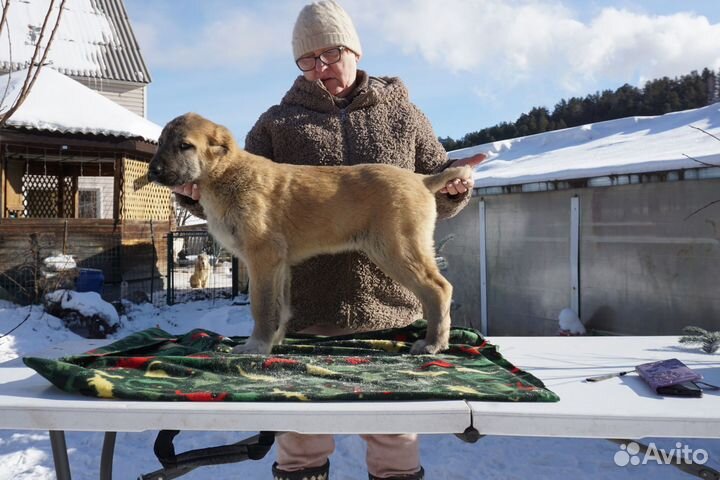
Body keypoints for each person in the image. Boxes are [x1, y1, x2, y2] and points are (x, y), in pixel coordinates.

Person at [172, 1, 481, 478]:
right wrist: (196, 194)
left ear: (354, 50)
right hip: (309, 318)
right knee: (300, 443)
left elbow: (433, 182)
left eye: (330, 54)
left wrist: (454, 187)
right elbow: (237, 186)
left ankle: (435, 325)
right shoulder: (277, 121)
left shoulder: (404, 115)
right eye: (307, 60)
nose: (321, 69)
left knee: (394, 441)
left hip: (390, 317)